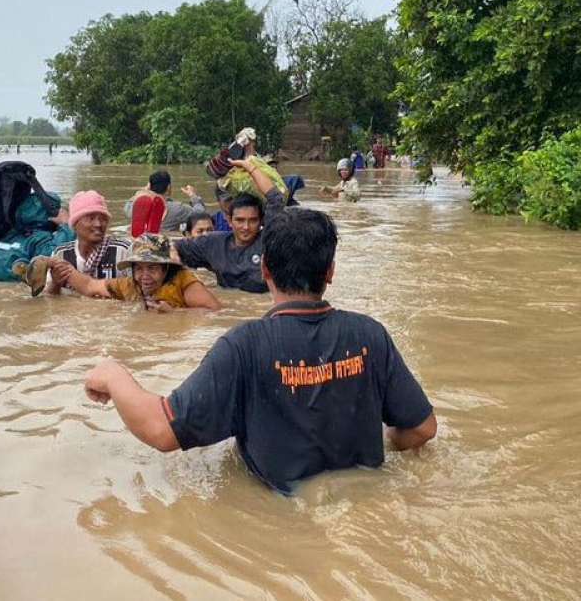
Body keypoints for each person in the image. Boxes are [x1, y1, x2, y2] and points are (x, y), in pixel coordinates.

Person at [83, 208, 437, 493]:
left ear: (264, 268)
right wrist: (385, 443)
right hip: (367, 504)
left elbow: (162, 431)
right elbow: (423, 429)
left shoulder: (244, 345)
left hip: (283, 519)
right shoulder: (370, 334)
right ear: (330, 271)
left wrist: (113, 374)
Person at [174, 158, 285, 293]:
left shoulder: (268, 240)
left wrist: (250, 167)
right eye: (240, 220)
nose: (246, 227)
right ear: (228, 219)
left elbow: (276, 199)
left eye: (253, 220)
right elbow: (172, 247)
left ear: (261, 221)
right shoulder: (213, 243)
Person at [52, 234, 220, 312]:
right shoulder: (130, 285)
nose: (145, 276)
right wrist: (55, 264)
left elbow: (216, 311)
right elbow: (90, 286)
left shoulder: (183, 281)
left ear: (166, 268)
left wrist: (176, 313)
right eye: (139, 268)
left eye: (152, 268)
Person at [30, 190, 130, 297]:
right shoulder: (62, 253)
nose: (98, 224)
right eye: (90, 219)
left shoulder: (123, 252)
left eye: (103, 219)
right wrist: (56, 284)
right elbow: (50, 298)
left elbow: (136, 292)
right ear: (74, 225)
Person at [124, 170, 206, 235]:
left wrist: (145, 191)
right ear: (168, 187)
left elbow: (129, 203)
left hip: (140, 240)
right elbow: (201, 215)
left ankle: (146, 231)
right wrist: (193, 196)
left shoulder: (132, 206)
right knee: (185, 228)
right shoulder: (178, 208)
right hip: (166, 240)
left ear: (149, 186)